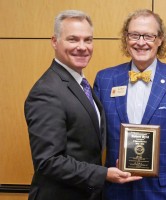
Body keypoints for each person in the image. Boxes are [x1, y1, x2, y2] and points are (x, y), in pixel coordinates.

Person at [24, 10, 141, 200]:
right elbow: (48, 161)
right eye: (73, 39)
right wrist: (103, 174)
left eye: (88, 40)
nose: (82, 47)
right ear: (54, 41)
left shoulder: (80, 84)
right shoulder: (46, 91)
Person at [93, 9, 166, 200]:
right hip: (116, 191)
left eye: (149, 36)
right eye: (134, 35)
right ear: (125, 39)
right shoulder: (105, 79)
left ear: (160, 39)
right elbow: (92, 142)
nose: (141, 42)